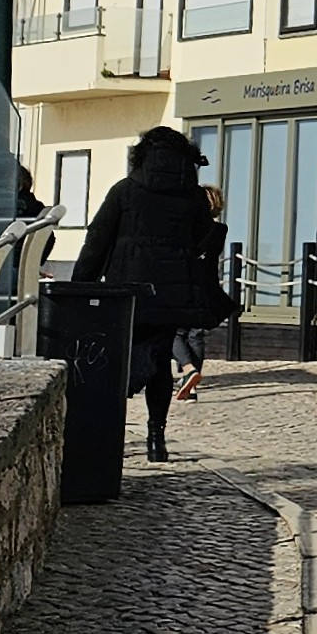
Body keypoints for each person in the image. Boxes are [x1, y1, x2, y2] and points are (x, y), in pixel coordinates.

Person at [69, 127, 229, 462]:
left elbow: (97, 240)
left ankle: (110, 436)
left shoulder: (125, 191)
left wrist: (80, 285)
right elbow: (204, 244)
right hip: (173, 295)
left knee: (120, 360)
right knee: (160, 364)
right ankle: (156, 438)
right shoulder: (192, 197)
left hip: (128, 292)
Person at [172, 182, 229, 401]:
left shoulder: (187, 228)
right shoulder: (220, 230)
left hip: (183, 282)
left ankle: (188, 370)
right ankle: (191, 386)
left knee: (173, 332)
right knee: (196, 334)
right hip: (207, 285)